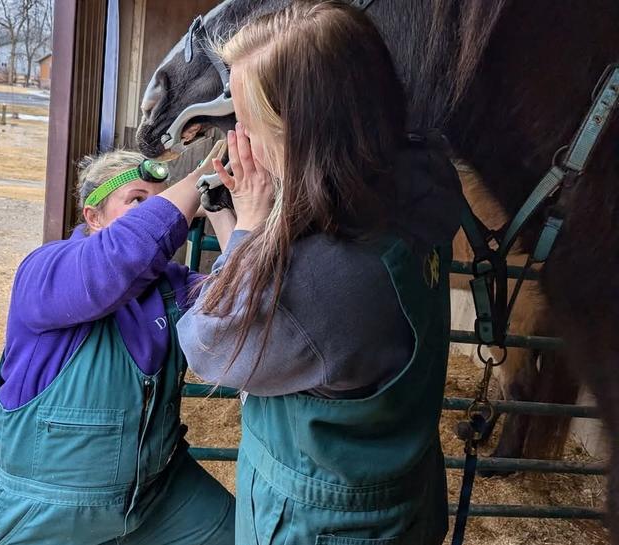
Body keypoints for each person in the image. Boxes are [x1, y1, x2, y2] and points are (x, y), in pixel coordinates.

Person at [177, 2, 463, 544]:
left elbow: (207, 345)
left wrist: (252, 223)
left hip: (321, 524)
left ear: (301, 135)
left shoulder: (317, 283)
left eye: (248, 123)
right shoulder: (423, 178)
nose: (242, 139)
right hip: (401, 501)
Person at [0, 145, 236, 545]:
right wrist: (193, 179)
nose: (165, 214)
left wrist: (219, 202)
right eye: (137, 201)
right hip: (47, 510)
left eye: (162, 202)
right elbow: (122, 257)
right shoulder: (47, 269)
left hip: (157, 493)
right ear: (93, 217)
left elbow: (241, 301)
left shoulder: (173, 284)